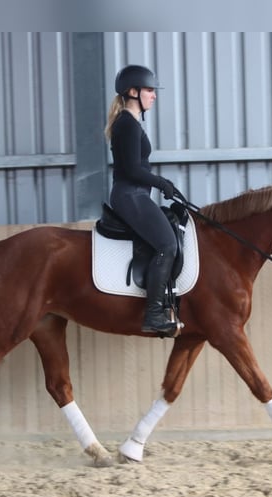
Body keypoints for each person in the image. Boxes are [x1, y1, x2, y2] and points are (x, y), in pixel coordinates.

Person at [104, 64, 180, 336]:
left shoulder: (130, 123)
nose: (154, 95)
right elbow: (134, 170)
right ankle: (154, 313)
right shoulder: (126, 124)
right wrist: (163, 183)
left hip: (136, 194)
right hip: (130, 195)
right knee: (167, 244)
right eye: (149, 90)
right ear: (132, 92)